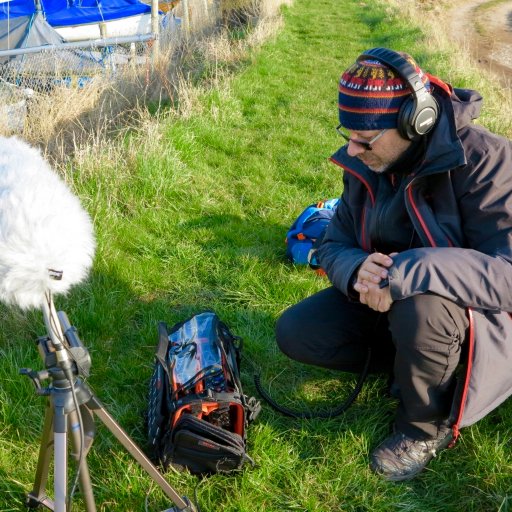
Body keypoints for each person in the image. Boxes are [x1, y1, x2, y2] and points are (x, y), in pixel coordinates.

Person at [276, 47, 512, 481]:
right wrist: (354, 268)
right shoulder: (365, 161)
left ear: (415, 121)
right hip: (400, 312)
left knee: (420, 309)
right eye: (348, 134)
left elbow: (508, 274)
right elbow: (333, 241)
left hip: (477, 323)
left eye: (365, 139)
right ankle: (417, 363)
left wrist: (405, 274)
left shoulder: (488, 161)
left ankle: (423, 427)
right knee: (297, 333)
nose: (352, 149)